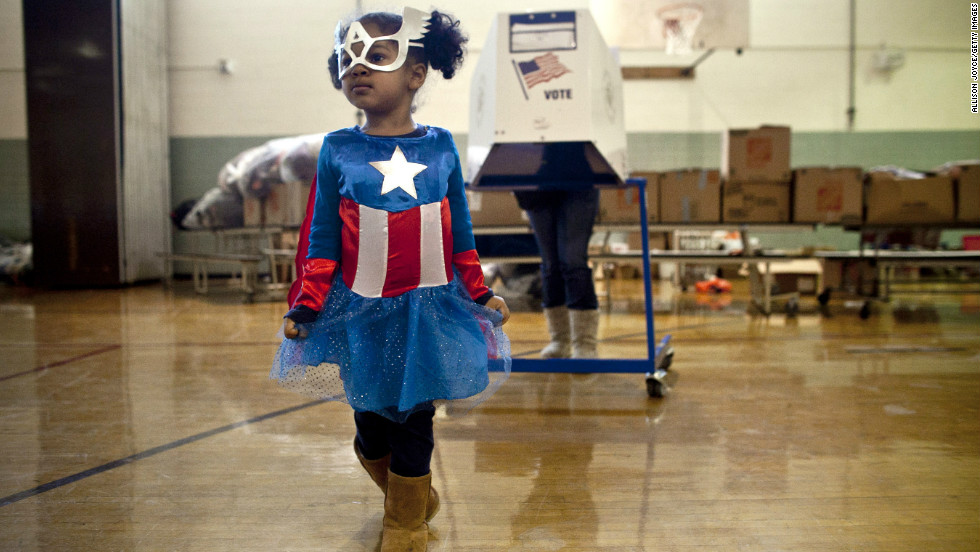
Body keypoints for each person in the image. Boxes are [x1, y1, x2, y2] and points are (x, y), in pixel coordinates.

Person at [270, 8, 510, 551]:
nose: (358, 69)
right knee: (371, 423)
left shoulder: (442, 145)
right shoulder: (338, 149)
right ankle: (410, 496)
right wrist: (307, 304)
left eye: (375, 58)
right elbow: (322, 238)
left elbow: (460, 233)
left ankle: (404, 524)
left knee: (415, 416)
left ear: (415, 73)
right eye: (348, 59)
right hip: (360, 309)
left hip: (428, 308)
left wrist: (480, 290)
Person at [514, 186, 600, 359]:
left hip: (577, 181)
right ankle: (560, 340)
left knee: (573, 260)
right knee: (550, 264)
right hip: (536, 186)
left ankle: (584, 343)